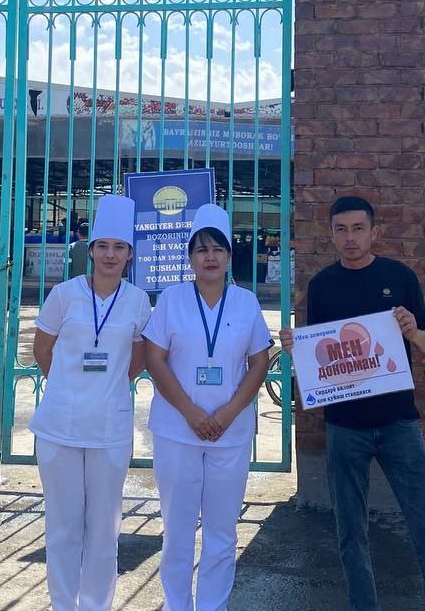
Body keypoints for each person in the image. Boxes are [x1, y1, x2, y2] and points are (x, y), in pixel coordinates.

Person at [280, 196, 425, 611]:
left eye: (358, 228)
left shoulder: (399, 277)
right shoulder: (322, 286)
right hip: (344, 427)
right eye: (341, 229)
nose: (350, 238)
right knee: (350, 533)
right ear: (330, 234)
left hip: (399, 421)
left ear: (374, 232)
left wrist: (413, 332)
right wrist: (297, 349)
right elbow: (321, 355)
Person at [144, 204, 272, 611]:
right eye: (201, 250)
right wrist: (190, 411)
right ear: (190, 258)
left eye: (218, 249)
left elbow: (259, 362)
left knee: (222, 531)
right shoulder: (172, 299)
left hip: (230, 433)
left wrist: (229, 412)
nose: (210, 257)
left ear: (229, 256)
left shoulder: (246, 302)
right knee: (177, 530)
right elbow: (154, 359)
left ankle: (214, 605)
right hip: (177, 431)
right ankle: (177, 605)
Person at [30, 195, 151, 611]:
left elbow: (138, 360)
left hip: (109, 428)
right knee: (63, 526)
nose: (110, 255)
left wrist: (107, 388)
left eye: (119, 247)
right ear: (91, 250)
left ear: (129, 253)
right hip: (59, 426)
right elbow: (42, 350)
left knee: (104, 528)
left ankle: (96, 604)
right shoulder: (64, 295)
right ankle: (64, 604)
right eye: (103, 246)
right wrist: (70, 386)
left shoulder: (138, 300)